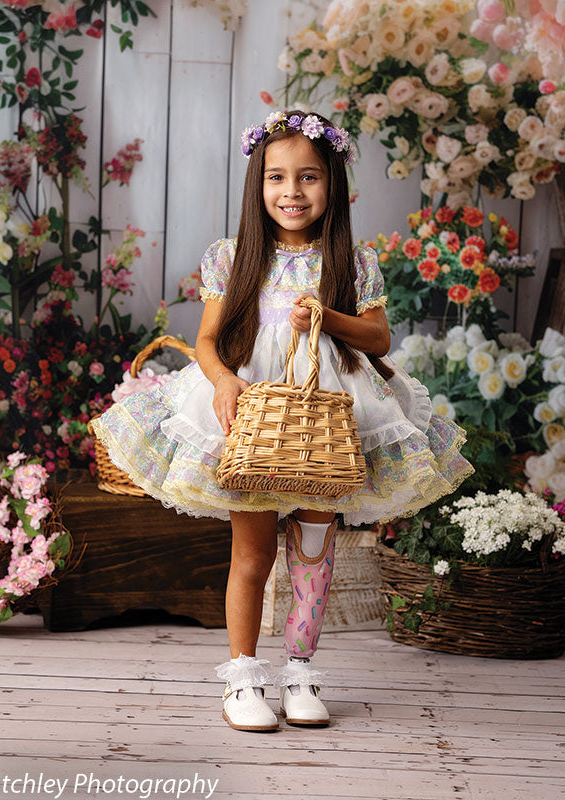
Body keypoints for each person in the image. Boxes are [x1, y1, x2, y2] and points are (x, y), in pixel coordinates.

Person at [91, 109, 474, 733]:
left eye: (308, 177)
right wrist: (223, 381)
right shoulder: (234, 256)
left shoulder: (352, 260)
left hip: (329, 414)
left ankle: (300, 670)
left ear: (332, 183)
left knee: (315, 548)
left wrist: (325, 315)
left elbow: (378, 336)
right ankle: (242, 677)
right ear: (258, 183)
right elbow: (207, 340)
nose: (292, 192)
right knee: (253, 552)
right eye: (277, 177)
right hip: (255, 413)